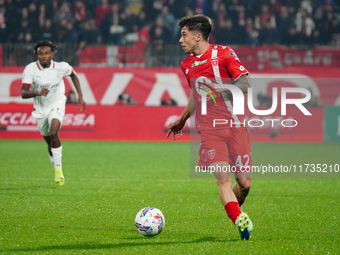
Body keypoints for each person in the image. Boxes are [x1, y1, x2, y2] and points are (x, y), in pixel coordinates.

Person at [167, 14, 253, 240]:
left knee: (244, 184)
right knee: (223, 180)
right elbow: (196, 94)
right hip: (209, 129)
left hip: (235, 125)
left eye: (184, 35)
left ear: (198, 36)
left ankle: (235, 206)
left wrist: (223, 88)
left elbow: (245, 83)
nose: (180, 40)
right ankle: (239, 219)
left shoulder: (224, 53)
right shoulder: (186, 64)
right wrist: (183, 118)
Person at [21, 40, 86, 186]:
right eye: (40, 54)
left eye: (46, 53)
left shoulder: (61, 67)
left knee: (54, 132)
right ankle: (54, 158)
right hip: (40, 109)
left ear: (52, 53)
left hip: (57, 103)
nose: (43, 56)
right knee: (50, 142)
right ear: (37, 55)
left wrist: (80, 96)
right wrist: (38, 92)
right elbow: (23, 93)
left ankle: (58, 171)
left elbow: (73, 75)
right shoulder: (31, 69)